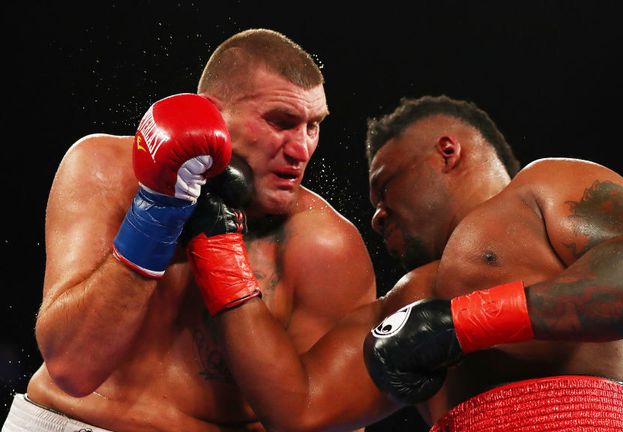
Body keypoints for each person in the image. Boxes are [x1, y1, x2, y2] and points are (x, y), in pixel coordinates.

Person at [186, 95, 623, 431]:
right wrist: (218, 248)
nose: (378, 216)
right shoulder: (409, 300)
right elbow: (299, 409)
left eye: (385, 185)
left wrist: (461, 323)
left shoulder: (548, 185)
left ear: (446, 151)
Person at [2, 29, 375, 431]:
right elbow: (72, 368)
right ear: (212, 113)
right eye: (281, 122)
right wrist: (159, 213)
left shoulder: (326, 245)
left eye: (313, 126)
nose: (301, 149)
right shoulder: (104, 170)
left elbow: (324, 419)